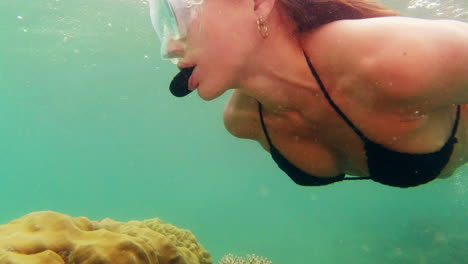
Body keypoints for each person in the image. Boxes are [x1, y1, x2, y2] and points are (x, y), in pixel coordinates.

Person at [148, 0, 468, 187]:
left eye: (180, 15)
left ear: (259, 3)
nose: (170, 47)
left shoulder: (393, 59)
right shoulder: (243, 122)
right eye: (160, 25)